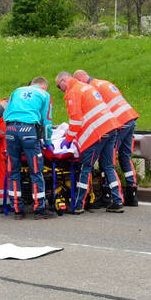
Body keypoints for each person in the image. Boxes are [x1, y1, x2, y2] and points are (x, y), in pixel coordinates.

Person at [56, 71, 124, 214]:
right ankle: (117, 201)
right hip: (111, 128)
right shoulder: (86, 87)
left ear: (63, 81)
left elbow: (76, 121)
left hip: (96, 134)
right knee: (108, 166)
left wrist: (68, 140)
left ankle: (79, 204)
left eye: (58, 87)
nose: (61, 90)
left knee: (85, 168)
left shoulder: (73, 92)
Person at [74, 69, 140, 206]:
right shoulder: (103, 82)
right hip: (129, 118)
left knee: (108, 159)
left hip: (119, 124)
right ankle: (132, 193)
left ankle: (109, 195)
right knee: (125, 157)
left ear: (80, 80)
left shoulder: (91, 88)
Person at [3, 77, 54, 219]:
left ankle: (17, 209)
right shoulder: (45, 95)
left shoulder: (17, 91)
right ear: (44, 86)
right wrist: (48, 141)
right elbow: (47, 121)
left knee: (13, 171)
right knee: (36, 171)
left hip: (10, 129)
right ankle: (39, 208)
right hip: (29, 131)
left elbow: (7, 112)